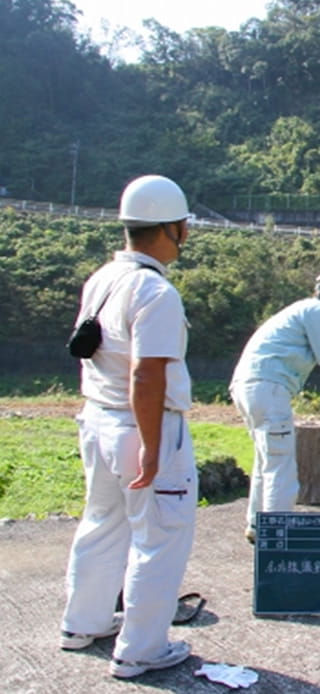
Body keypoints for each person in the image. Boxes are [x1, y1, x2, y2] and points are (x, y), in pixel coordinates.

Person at [60, 174, 198, 679]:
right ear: (169, 228)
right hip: (143, 425)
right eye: (183, 225)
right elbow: (147, 373)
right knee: (160, 536)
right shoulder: (155, 291)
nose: (186, 233)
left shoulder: (102, 279)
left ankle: (83, 623)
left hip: (98, 418)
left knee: (102, 523)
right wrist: (153, 448)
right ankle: (141, 649)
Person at [230, 261, 320, 543]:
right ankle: (277, 538)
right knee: (282, 468)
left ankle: (257, 526)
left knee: (267, 460)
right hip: (269, 388)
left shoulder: (301, 309)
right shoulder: (316, 311)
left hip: (249, 386)